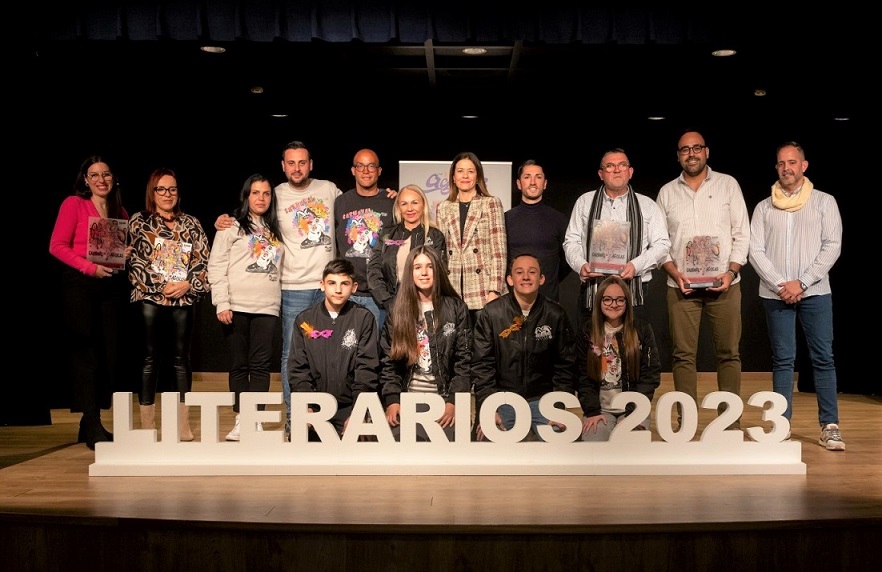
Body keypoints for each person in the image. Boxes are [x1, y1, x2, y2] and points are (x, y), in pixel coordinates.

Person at [216, 140, 342, 439]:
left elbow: (356, 204)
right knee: (290, 356)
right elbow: (246, 223)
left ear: (310, 164)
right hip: (292, 289)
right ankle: (292, 421)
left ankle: (328, 419)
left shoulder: (329, 189)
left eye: (302, 162)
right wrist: (225, 219)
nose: (296, 168)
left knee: (330, 355)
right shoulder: (276, 195)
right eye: (291, 163)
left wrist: (387, 195)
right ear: (283, 166)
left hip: (327, 287)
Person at [749, 141, 845, 451]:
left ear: (804, 166)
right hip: (776, 295)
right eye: (781, 163)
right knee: (783, 361)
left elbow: (832, 245)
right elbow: (755, 251)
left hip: (815, 292)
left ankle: (829, 426)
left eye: (792, 162)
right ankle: (781, 425)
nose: (786, 168)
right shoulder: (764, 207)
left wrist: (801, 283)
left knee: (823, 359)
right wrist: (781, 284)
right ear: (777, 167)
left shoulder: (824, 202)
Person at [655, 130, 750, 429]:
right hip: (681, 286)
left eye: (697, 148)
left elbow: (742, 234)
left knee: (729, 354)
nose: (691, 153)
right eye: (685, 149)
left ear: (707, 151)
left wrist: (731, 271)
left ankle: (730, 423)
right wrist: (674, 271)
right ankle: (686, 424)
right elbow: (659, 242)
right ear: (678, 155)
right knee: (683, 356)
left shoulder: (728, 185)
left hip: (725, 284)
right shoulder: (667, 192)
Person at [49, 155, 130, 449]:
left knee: (107, 354)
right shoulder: (74, 204)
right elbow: (56, 246)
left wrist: (124, 253)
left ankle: (89, 422)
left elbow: (111, 253)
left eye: (106, 174)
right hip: (80, 285)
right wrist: (89, 268)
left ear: (114, 178)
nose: (101, 179)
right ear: (85, 179)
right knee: (86, 355)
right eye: (94, 175)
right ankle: (92, 422)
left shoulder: (119, 209)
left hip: (109, 287)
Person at [128, 167, 210, 441]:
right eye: (161, 189)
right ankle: (147, 426)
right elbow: (135, 261)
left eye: (172, 189)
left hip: (184, 298)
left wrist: (187, 284)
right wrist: (160, 286)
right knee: (151, 359)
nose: (167, 194)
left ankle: (182, 425)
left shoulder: (192, 223)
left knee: (181, 360)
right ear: (152, 192)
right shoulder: (139, 222)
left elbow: (203, 261)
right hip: (151, 298)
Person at [207, 174, 284, 441]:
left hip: (267, 307)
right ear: (246, 195)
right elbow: (216, 265)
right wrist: (222, 302)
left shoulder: (277, 229)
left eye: (266, 193)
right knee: (239, 365)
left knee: (261, 366)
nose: (261, 198)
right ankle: (241, 420)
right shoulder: (231, 226)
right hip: (236, 306)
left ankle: (256, 420)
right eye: (255, 193)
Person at [472, 254, 577, 441]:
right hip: (503, 400)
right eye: (519, 272)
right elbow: (482, 367)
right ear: (510, 280)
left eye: (532, 272)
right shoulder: (491, 314)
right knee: (488, 439)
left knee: (563, 441)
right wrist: (488, 408)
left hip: (543, 401)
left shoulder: (556, 315)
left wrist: (559, 409)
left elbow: (565, 366)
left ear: (542, 279)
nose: (526, 277)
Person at [563, 147, 670, 324]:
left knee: (632, 347)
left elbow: (662, 244)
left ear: (630, 171)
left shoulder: (647, 205)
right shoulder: (584, 202)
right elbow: (571, 241)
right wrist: (581, 264)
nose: (617, 169)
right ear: (601, 173)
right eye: (610, 166)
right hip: (593, 289)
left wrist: (635, 266)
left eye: (622, 165)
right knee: (591, 347)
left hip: (635, 290)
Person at [379, 245, 471, 441]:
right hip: (407, 399)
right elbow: (389, 363)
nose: (424, 273)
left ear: (437, 269)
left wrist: (453, 401)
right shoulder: (397, 309)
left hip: (444, 399)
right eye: (417, 267)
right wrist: (393, 400)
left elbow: (463, 361)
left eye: (429, 266)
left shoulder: (456, 308)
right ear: (410, 272)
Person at [287, 258, 379, 440]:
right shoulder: (304, 320)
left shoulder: (363, 319)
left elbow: (366, 369)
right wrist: (306, 407)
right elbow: (298, 369)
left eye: (344, 284)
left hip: (349, 407)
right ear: (322, 285)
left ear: (354, 287)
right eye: (332, 283)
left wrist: (358, 411)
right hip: (316, 408)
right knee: (302, 451)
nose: (338, 290)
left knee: (361, 454)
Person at [577, 276, 661, 441]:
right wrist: (592, 411)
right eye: (607, 299)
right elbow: (582, 376)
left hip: (633, 408)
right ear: (599, 301)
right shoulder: (587, 331)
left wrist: (633, 413)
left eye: (619, 300)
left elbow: (650, 375)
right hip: (601, 410)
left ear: (627, 302)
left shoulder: (642, 329)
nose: (613, 304)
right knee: (595, 446)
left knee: (630, 446)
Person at [435, 151, 508, 323]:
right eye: (460, 171)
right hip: (453, 290)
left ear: (478, 176)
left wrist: (494, 291)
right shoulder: (444, 207)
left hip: (483, 290)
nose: (465, 176)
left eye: (470, 171)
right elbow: (442, 253)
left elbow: (499, 251)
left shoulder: (491, 203)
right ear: (453, 177)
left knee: (483, 347)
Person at [334, 148, 396, 327]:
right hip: (347, 293)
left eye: (371, 166)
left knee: (376, 351)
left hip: (379, 295)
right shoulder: (341, 202)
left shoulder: (392, 201)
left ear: (379, 170)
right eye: (360, 166)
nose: (366, 171)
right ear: (353, 170)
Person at [367, 184, 447, 312]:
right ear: (398, 208)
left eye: (415, 203)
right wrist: (387, 301)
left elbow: (439, 273)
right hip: (392, 307)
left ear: (423, 205)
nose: (409, 208)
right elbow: (374, 270)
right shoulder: (387, 234)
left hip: (425, 306)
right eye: (404, 204)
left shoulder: (435, 236)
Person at [504, 160, 571, 303]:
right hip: (512, 303)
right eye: (527, 177)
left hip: (549, 301)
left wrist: (549, 279)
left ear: (545, 184)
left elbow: (568, 259)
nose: (533, 182)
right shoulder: (505, 219)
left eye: (538, 177)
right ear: (518, 183)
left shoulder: (558, 219)